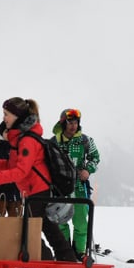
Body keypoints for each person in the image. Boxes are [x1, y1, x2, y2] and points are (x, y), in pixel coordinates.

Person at [0, 97, 77, 261]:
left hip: (36, 192)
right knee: (48, 230)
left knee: (29, 234)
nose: (4, 118)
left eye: (6, 114)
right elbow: (11, 164)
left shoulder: (27, 140)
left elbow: (21, 171)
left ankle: (48, 265)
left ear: (17, 116)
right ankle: (66, 262)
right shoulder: (21, 139)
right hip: (36, 191)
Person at [50, 108, 100, 257]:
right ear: (63, 123)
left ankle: (79, 252)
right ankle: (64, 252)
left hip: (79, 187)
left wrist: (88, 170)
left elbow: (95, 157)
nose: (73, 125)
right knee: (60, 222)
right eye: (70, 122)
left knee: (80, 223)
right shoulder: (53, 142)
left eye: (76, 122)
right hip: (59, 188)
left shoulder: (85, 141)